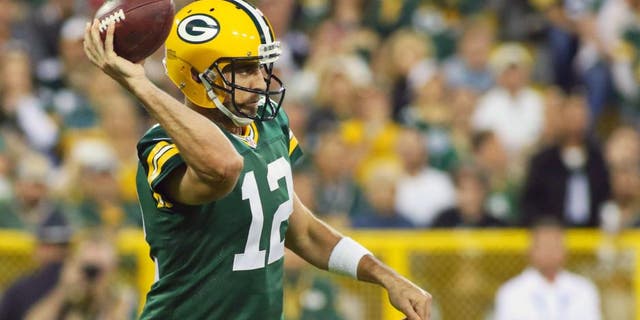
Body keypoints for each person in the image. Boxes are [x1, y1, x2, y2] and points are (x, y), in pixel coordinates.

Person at [82, 0, 432, 319]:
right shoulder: (161, 145)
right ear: (194, 76)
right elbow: (224, 166)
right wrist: (139, 85)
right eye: (245, 69)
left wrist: (387, 277)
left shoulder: (266, 121)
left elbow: (304, 232)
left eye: (263, 66)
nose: (261, 81)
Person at [493, 216, 601, 320]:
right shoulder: (511, 292)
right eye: (544, 245)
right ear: (530, 250)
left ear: (565, 250)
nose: (550, 252)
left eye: (555, 245)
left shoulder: (583, 290)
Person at [24, 231, 137, 320]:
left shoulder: (123, 297)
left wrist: (101, 292)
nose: (91, 274)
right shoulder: (71, 295)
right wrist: (63, 290)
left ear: (113, 268)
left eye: (97, 269)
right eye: (87, 268)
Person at [0, 210, 73, 320]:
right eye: (46, 245)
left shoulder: (82, 285)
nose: (53, 252)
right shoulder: (20, 290)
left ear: (67, 250)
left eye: (60, 246)